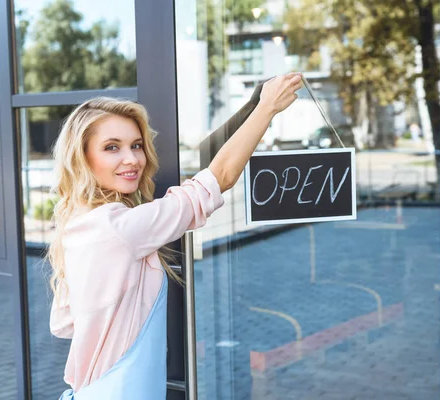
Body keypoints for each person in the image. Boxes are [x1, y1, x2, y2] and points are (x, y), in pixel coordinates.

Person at [50, 72, 303, 399]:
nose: (132, 159)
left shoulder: (77, 223)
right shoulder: (118, 228)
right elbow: (219, 179)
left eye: (136, 145)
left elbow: (65, 324)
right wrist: (266, 107)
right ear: (82, 157)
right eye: (112, 147)